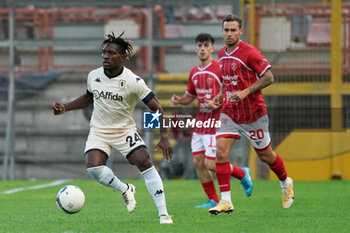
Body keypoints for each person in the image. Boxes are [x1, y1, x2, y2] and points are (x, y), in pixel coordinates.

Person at [52, 32, 173, 224]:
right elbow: (89, 97)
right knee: (94, 168)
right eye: (103, 52)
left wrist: (164, 137)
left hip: (124, 131)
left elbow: (156, 107)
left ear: (123, 57)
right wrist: (66, 108)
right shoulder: (94, 76)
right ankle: (124, 189)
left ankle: (164, 214)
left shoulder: (134, 81)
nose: (105, 56)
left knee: (144, 161)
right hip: (99, 131)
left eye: (111, 53)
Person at [206, 15, 294, 215]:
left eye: (233, 30)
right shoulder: (221, 53)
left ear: (240, 32)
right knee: (220, 153)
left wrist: (246, 91)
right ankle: (226, 201)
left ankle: (285, 181)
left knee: (266, 156)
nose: (229, 34)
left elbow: (269, 77)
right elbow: (228, 81)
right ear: (222, 31)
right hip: (230, 113)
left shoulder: (250, 53)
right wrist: (220, 96)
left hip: (253, 114)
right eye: (226, 30)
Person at [171, 33, 253, 209]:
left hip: (217, 123)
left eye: (206, 45)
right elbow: (190, 96)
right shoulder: (194, 72)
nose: (202, 48)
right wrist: (179, 100)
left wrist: (217, 103)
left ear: (212, 49)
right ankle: (213, 199)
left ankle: (242, 174)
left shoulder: (219, 69)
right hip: (201, 124)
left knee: (212, 164)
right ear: (195, 48)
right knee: (198, 163)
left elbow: (229, 91)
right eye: (199, 45)